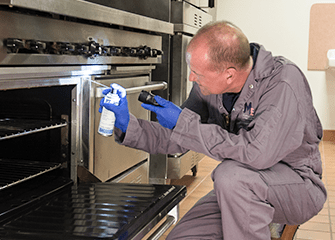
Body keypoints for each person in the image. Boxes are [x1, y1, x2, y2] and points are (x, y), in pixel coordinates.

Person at [100, 21, 327, 240]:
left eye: (197, 73)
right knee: (183, 236)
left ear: (228, 74)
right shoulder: (209, 87)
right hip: (243, 187)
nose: (191, 78)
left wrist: (184, 123)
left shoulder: (283, 83)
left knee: (230, 176)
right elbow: (181, 136)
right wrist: (128, 124)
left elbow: (256, 154)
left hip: (297, 185)